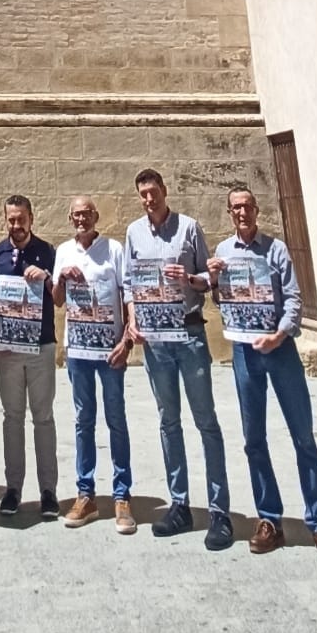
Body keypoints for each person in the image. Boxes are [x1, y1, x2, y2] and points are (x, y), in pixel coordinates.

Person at [208, 185, 317, 562]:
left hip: (279, 349)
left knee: (303, 437)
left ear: (256, 209)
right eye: (235, 207)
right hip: (244, 352)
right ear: (229, 212)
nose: (241, 213)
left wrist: (280, 333)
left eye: (247, 206)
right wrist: (215, 281)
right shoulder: (222, 252)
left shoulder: (277, 249)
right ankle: (269, 519)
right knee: (254, 439)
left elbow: (294, 297)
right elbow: (222, 300)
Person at [123, 166, 233, 546]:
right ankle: (180, 504)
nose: (149, 198)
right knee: (168, 422)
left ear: (165, 191)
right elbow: (129, 285)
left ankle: (219, 511)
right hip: (155, 340)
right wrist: (133, 323)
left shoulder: (189, 227)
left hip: (188, 333)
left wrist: (190, 280)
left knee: (206, 421)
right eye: (143, 194)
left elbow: (209, 276)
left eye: (153, 191)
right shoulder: (134, 233)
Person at [51, 193, 136, 533]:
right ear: (70, 219)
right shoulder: (63, 252)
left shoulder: (114, 250)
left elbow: (126, 294)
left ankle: (122, 495)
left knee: (116, 419)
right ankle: (85, 494)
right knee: (83, 420)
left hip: (110, 350)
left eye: (87, 213)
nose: (82, 219)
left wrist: (127, 340)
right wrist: (60, 279)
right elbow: (57, 300)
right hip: (78, 352)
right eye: (76, 215)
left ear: (96, 216)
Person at [0, 193, 60, 518]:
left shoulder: (48, 252)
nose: (16, 224)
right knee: (12, 419)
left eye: (21, 218)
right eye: (11, 219)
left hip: (41, 347)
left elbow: (59, 298)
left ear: (31, 218)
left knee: (43, 419)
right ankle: (13, 489)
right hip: (9, 351)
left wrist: (47, 277)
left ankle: (48, 492)